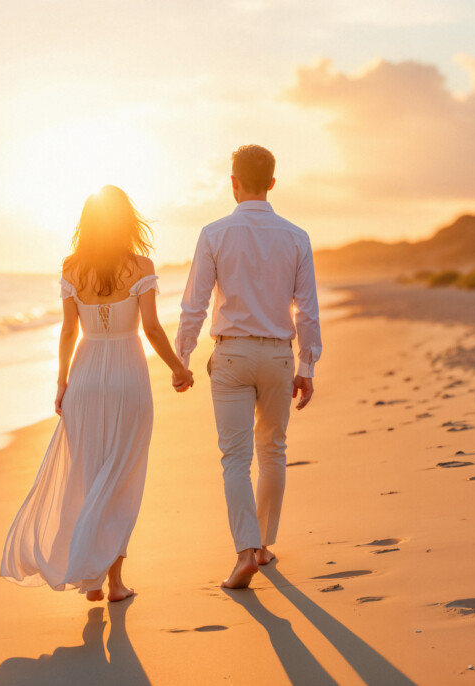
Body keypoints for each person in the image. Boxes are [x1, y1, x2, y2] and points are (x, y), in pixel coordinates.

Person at [0, 185, 193, 602]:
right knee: (121, 479)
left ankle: (91, 577)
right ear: (126, 221)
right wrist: (178, 368)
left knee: (90, 476)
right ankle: (113, 581)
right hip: (128, 377)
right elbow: (152, 329)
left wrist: (61, 382)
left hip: (85, 379)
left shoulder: (72, 269)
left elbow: (68, 331)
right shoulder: (140, 266)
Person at [175, 144, 323, 589]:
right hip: (278, 354)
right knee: (272, 450)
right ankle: (262, 547)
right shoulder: (296, 236)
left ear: (233, 182)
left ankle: (244, 551)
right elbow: (307, 310)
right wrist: (308, 365)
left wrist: (182, 357)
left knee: (235, 458)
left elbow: (194, 303)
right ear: (272, 183)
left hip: (233, 354)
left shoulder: (215, 233)